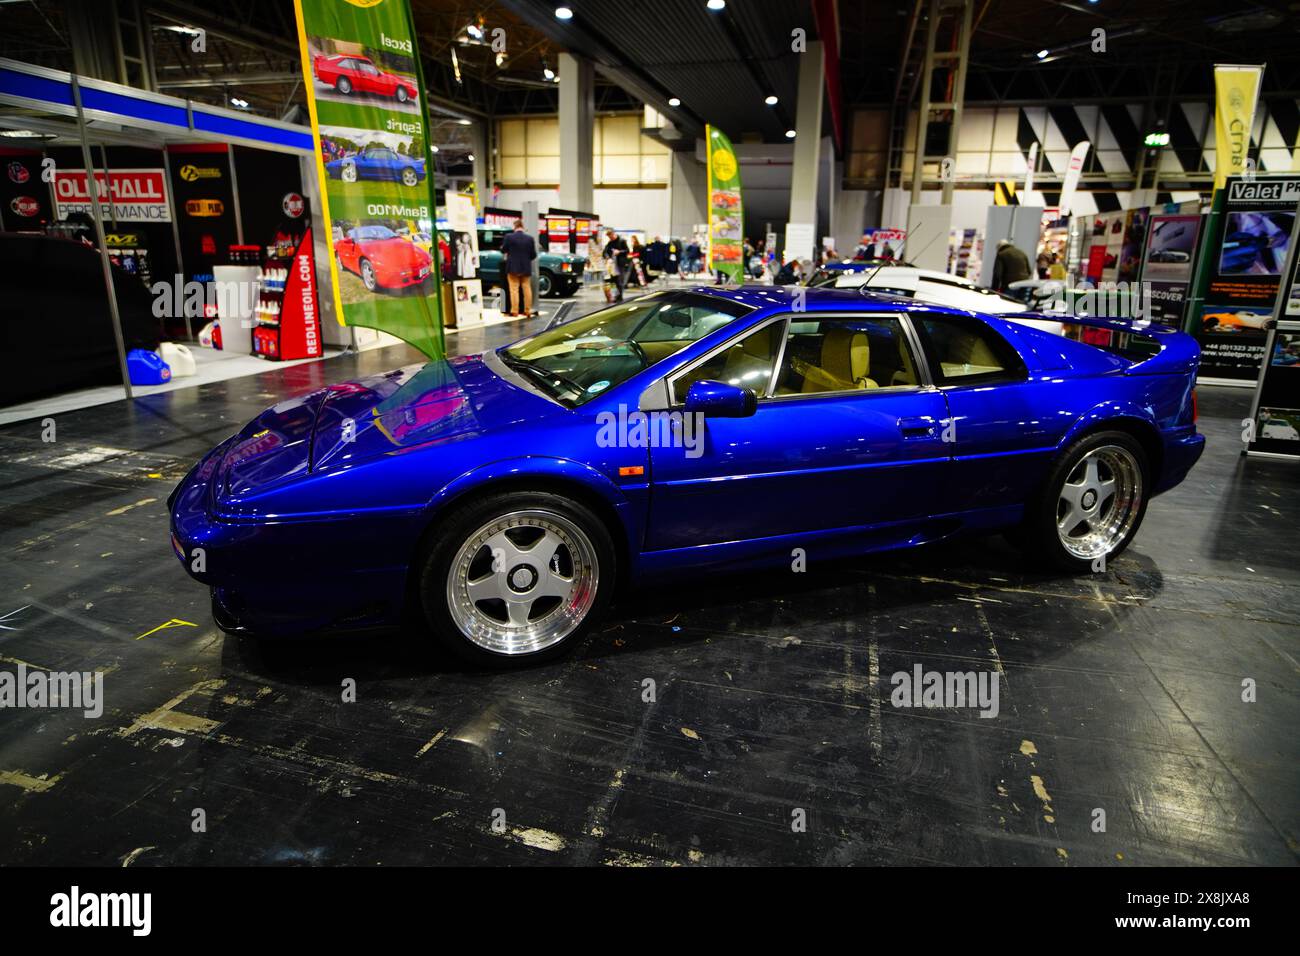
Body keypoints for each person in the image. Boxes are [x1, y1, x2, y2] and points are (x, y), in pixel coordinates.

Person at [500, 219, 536, 316]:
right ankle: (527, 310)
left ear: (514, 227)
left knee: (514, 289)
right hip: (526, 267)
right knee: (527, 289)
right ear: (522, 227)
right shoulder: (530, 239)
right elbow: (533, 255)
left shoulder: (509, 237)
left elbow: (503, 250)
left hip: (512, 267)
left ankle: (515, 311)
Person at [603, 229, 629, 301]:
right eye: (609, 237)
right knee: (613, 280)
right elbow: (606, 252)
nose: (610, 238)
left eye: (610, 236)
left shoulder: (622, 241)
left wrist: (619, 252)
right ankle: (614, 296)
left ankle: (620, 296)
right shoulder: (610, 242)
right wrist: (607, 257)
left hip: (620, 264)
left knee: (620, 280)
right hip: (612, 265)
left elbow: (627, 250)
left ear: (613, 234)